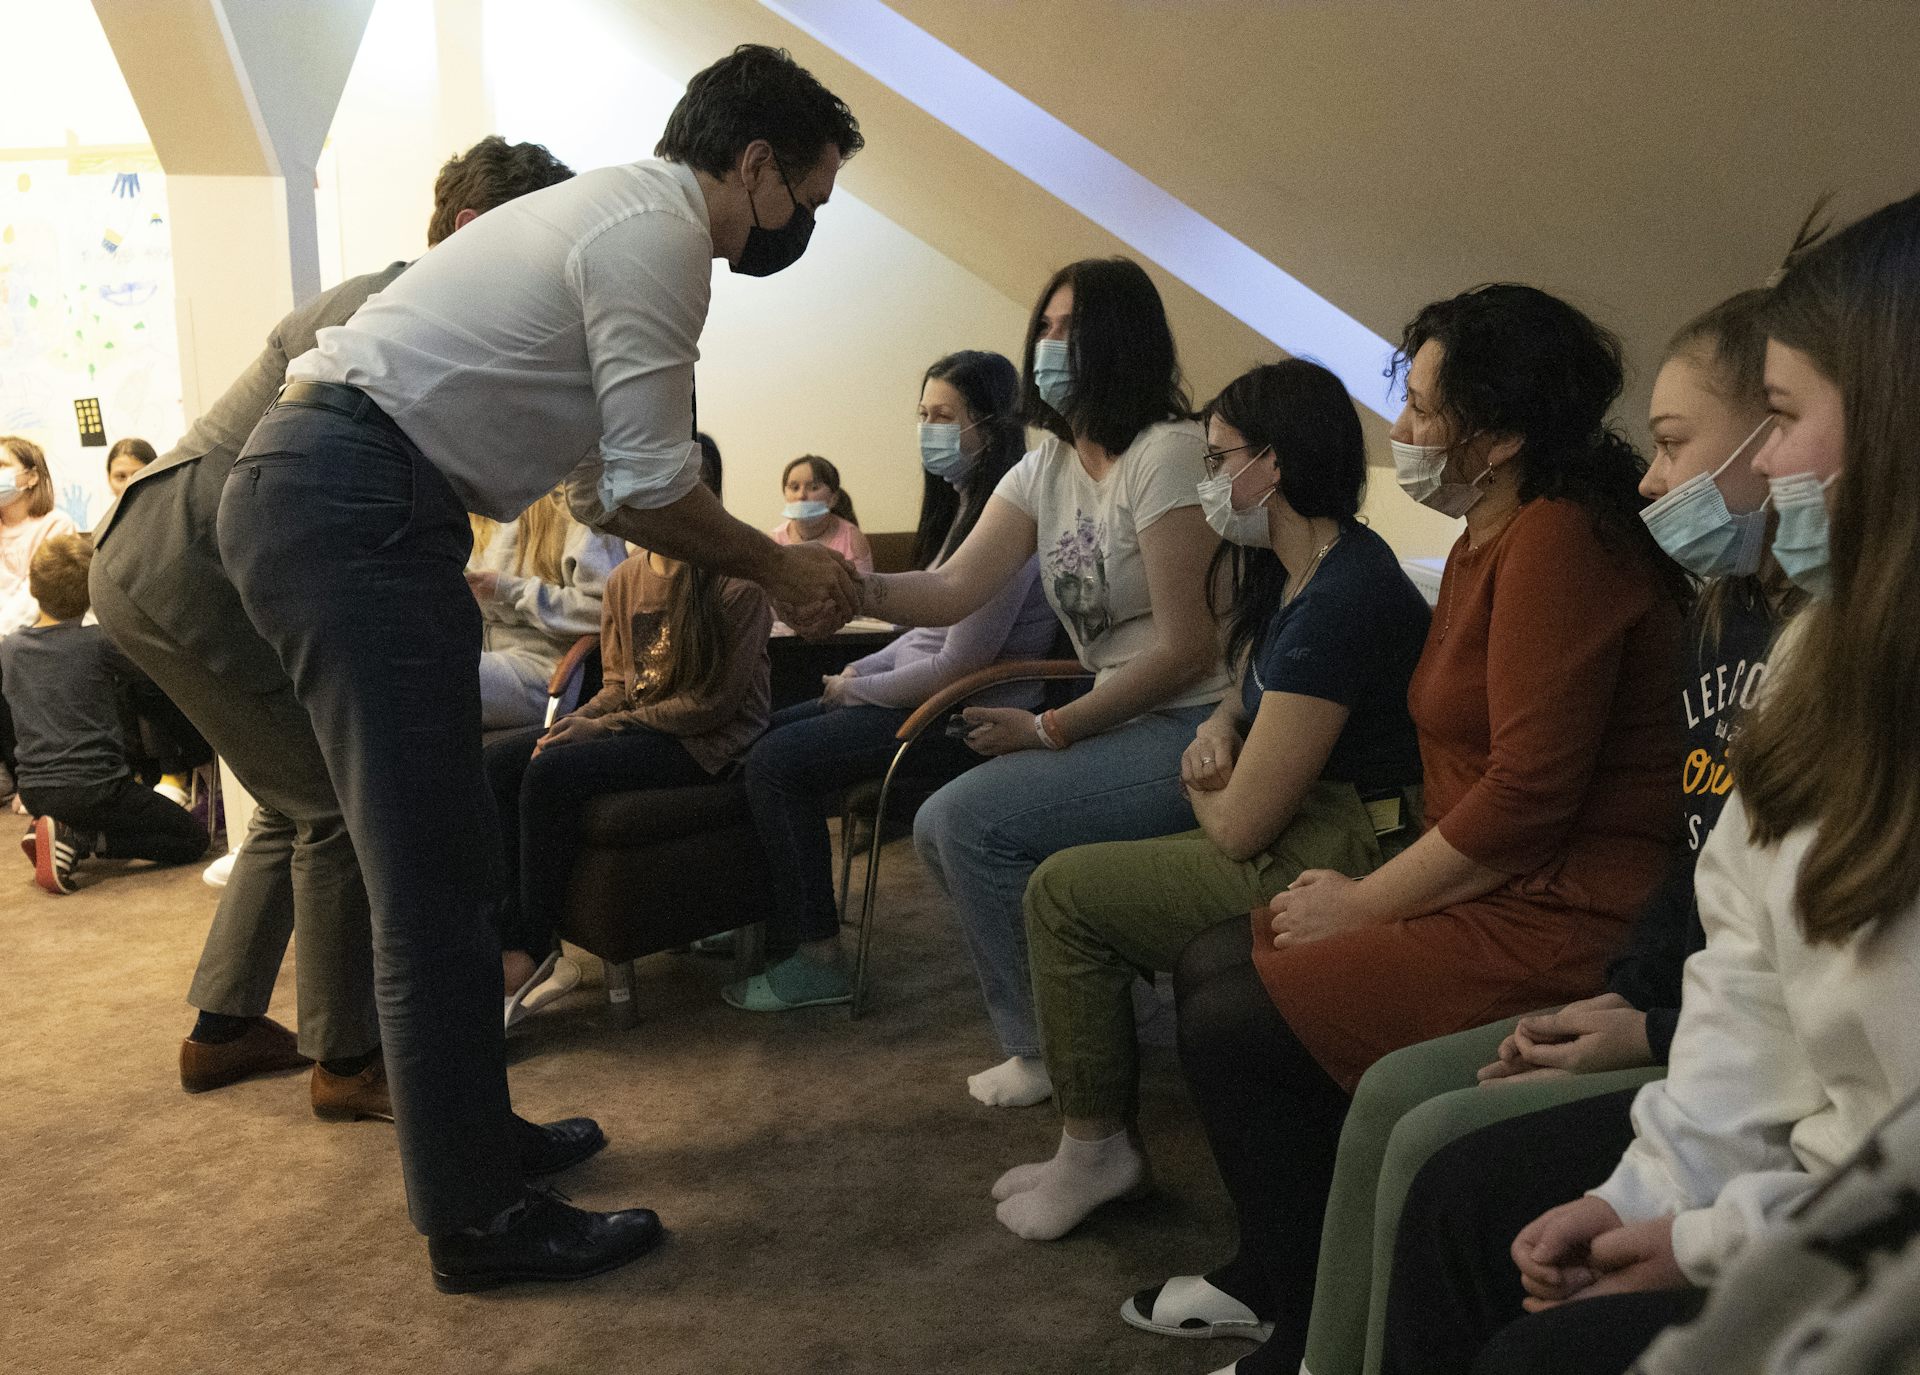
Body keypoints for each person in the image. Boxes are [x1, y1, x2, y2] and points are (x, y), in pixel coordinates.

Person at [214, 45, 864, 1290]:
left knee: (450, 856)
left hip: (344, 493)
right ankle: (476, 1222)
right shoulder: (660, 234)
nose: (805, 225)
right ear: (757, 164)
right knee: (427, 881)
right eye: (812, 198)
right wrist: (776, 570)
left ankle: (480, 1148)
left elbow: (590, 480)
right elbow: (645, 483)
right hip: (353, 497)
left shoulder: (615, 216)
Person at [1126, 284, 1690, 1375]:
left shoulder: (1560, 541)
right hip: (1503, 881)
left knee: (1243, 1015)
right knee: (1214, 967)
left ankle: (1308, 1321)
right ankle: (1285, 1282)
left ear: (1505, 433)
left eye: (1427, 411)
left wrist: (1365, 902)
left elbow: (1528, 795)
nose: (1404, 432)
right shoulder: (1494, 529)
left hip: (1571, 908)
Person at [1440, 191, 1920, 1375]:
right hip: (1806, 1201)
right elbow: (1745, 975)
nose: (1777, 456)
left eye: (1786, 413)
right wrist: (1651, 1195)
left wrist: (1710, 1240)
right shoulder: (1817, 654)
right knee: (1464, 1202)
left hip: (1865, 1255)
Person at [1300, 283, 1805, 1375]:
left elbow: (1540, 800)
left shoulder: (1575, 543)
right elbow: (1706, 865)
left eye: (1674, 445)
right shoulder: (1734, 610)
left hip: (1616, 949)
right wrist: (1637, 998)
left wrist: (1651, 1025)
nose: (1653, 480)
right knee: (1391, 1096)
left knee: (1432, 1143)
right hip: (1667, 994)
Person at [90, 136, 577, 1130]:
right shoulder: (395, 307)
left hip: (158, 553)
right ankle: (347, 1056)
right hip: (197, 559)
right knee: (337, 806)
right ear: (479, 232)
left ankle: (223, 1027)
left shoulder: (397, 300)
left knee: (289, 793)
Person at [993, 360, 1430, 1242]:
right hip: (1318, 812)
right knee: (1069, 880)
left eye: (1218, 456)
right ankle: (1094, 1139)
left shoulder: (1343, 598)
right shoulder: (1305, 565)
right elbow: (1251, 681)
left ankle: (1097, 1149)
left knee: (1062, 893)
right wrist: (1224, 724)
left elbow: (1237, 828)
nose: (1207, 481)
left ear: (1271, 466)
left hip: (1346, 844)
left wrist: (1202, 770)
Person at [855, 257, 1230, 1107]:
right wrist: (853, 588)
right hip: (1121, 721)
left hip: (1192, 722)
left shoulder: (1167, 454)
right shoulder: (1044, 469)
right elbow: (954, 588)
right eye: (1046, 327)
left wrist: (1050, 730)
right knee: (946, 826)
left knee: (964, 820)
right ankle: (1105, 1011)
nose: (1048, 346)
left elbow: (1184, 648)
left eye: (1069, 330)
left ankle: (1050, 1047)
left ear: (1121, 343)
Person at [733, 349, 1054, 1011]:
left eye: (943, 415)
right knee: (755, 735)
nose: (926, 428)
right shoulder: (966, 509)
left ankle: (818, 956)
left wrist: (858, 690)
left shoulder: (1011, 517)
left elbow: (958, 665)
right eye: (922, 413)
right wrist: (858, 668)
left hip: (962, 718)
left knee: (773, 762)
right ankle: (766, 918)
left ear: (988, 427)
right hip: (926, 699)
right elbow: (923, 633)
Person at [488, 442, 769, 1022]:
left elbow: (709, 708)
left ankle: (531, 949)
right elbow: (619, 683)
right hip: (645, 728)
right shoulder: (625, 580)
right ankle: (503, 935)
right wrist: (581, 720)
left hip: (708, 746)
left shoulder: (739, 583)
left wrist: (603, 730)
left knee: (550, 773)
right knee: (500, 764)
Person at [6, 534, 206, 893]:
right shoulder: (98, 642)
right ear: (91, 593)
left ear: (33, 587)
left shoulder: (10, 649)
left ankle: (56, 829)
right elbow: (155, 674)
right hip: (96, 789)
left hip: (33, 789)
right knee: (192, 839)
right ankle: (84, 839)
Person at [469, 489, 626, 730]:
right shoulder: (479, 509)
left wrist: (509, 591)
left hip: (543, 669)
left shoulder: (574, 508)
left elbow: (604, 611)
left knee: (428, 674)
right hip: (481, 654)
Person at [0, 435, 79, 800]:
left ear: (31, 477)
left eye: (2, 466)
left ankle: (27, 776)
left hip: (46, 635)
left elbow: (39, 595)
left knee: (12, 652)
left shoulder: (55, 524)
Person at [770, 454, 872, 573]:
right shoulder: (774, 540)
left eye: (813, 488)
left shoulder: (852, 539)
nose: (801, 495)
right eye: (794, 487)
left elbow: (866, 589)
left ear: (833, 498)